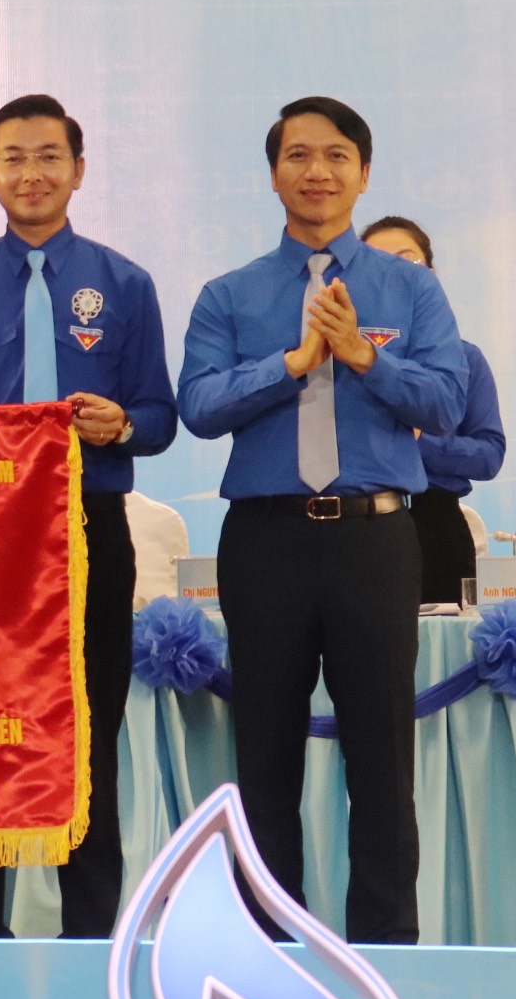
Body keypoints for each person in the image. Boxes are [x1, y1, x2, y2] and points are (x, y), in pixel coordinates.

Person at [177, 97, 468, 945]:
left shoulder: (411, 289)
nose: (317, 172)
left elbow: (447, 402)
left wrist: (366, 358)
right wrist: (290, 365)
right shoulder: (230, 295)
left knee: (381, 762)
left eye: (336, 156)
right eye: (298, 156)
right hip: (266, 539)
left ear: (363, 173)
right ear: (274, 175)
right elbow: (197, 405)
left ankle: (384, 961)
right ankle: (267, 951)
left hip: (374, 540)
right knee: (263, 760)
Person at [0, 93, 177, 941]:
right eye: (13, 158)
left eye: (49, 156)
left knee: (85, 742)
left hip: (89, 529)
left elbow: (161, 416)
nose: (32, 172)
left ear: (79, 171)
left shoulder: (125, 285)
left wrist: (121, 424)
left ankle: (92, 941)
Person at [360, 217, 506, 605]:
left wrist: (422, 442)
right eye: (377, 263)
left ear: (431, 273)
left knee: (443, 658)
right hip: (354, 528)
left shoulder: (464, 359)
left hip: (436, 527)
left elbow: (489, 455)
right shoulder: (338, 361)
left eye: (407, 262)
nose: (393, 274)